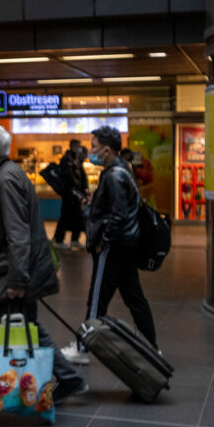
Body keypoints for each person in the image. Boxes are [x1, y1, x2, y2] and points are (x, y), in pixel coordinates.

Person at [0, 122, 88, 415]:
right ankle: (71, 380)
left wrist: (18, 280)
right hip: (16, 272)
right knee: (30, 327)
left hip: (9, 276)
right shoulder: (5, 174)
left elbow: (18, 235)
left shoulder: (4, 180)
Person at [61, 127, 158, 366]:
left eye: (93, 147)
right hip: (126, 245)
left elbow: (119, 214)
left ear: (106, 150)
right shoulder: (122, 170)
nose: (90, 151)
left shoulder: (113, 175)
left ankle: (82, 347)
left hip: (113, 247)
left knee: (97, 298)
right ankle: (153, 348)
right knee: (135, 298)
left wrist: (103, 242)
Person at [53, 140, 88, 250]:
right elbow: (68, 175)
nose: (79, 148)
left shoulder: (75, 158)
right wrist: (75, 186)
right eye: (78, 146)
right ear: (73, 146)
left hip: (75, 192)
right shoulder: (67, 158)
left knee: (77, 216)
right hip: (70, 192)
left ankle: (74, 239)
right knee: (66, 216)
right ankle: (58, 239)